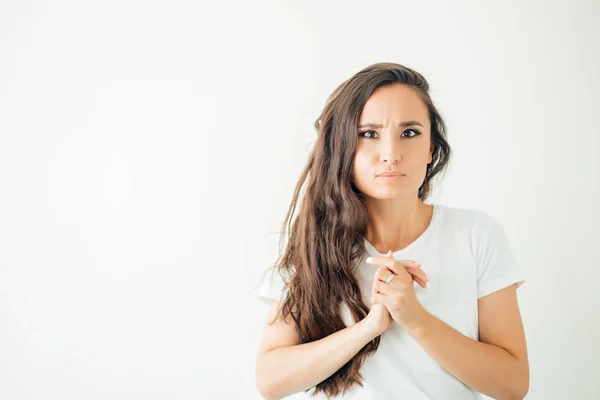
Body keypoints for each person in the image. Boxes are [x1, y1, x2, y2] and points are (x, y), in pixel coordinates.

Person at [254, 62, 529, 400]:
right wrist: (369, 328)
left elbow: (513, 384)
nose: (391, 154)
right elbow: (270, 381)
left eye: (409, 133)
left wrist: (415, 319)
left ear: (431, 148)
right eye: (369, 134)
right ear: (343, 147)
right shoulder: (311, 244)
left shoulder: (475, 235)